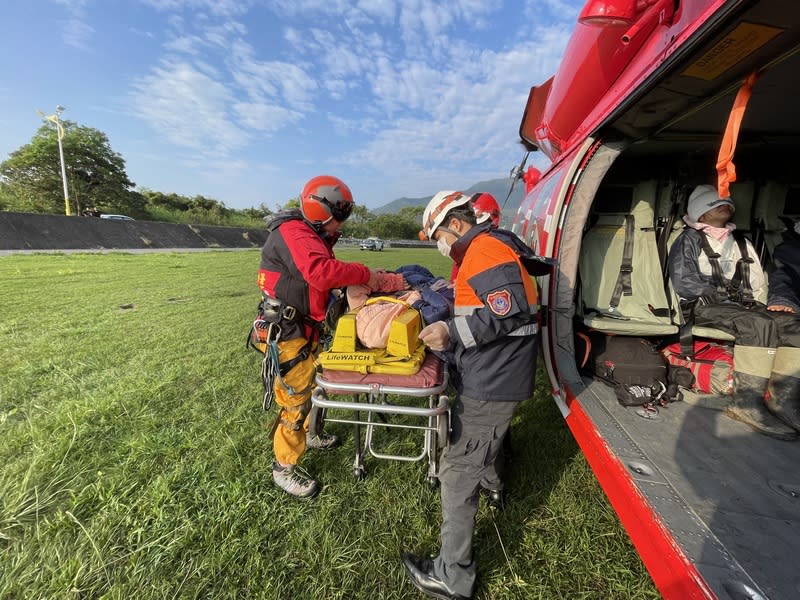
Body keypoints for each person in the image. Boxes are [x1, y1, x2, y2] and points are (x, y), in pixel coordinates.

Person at [402, 190, 545, 600]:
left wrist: (450, 332)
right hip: (496, 373)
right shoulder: (489, 248)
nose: (440, 246)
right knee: (483, 451)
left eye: (438, 237)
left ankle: (452, 576)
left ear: (457, 225)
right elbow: (487, 309)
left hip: (493, 381)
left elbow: (507, 308)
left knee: (457, 471)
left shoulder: (482, 250)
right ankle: (495, 483)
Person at [257, 175, 401, 498]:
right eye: (339, 217)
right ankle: (283, 468)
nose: (341, 225)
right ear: (321, 210)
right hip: (289, 331)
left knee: (313, 386)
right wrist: (365, 274)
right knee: (295, 398)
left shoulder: (309, 234)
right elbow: (320, 273)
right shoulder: (293, 232)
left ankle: (311, 436)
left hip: (303, 327)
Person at [667, 184, 800, 439]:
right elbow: (685, 282)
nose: (725, 205)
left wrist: (769, 304)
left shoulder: (741, 242)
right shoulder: (688, 240)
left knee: (794, 325)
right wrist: (726, 294)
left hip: (745, 308)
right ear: (701, 215)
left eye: (727, 203)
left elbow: (759, 281)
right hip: (703, 307)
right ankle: (746, 404)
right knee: (757, 323)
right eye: (716, 204)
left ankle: (784, 403)